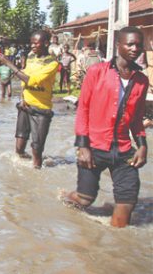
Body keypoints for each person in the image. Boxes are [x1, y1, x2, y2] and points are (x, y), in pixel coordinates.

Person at [63, 26, 148, 227]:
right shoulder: (97, 72)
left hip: (124, 150)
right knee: (85, 199)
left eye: (138, 44)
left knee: (127, 202)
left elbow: (136, 119)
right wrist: (83, 146)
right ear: (118, 45)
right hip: (94, 146)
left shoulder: (142, 81)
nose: (135, 48)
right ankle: (67, 198)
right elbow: (83, 109)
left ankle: (115, 252)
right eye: (130, 44)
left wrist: (143, 146)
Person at [0, 30, 59, 169]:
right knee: (19, 148)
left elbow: (31, 81)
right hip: (25, 106)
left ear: (46, 43)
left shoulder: (52, 63)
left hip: (41, 110)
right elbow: (24, 78)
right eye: (31, 43)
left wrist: (9, 64)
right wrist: (22, 98)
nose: (32, 46)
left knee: (37, 151)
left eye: (35, 43)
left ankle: (37, 175)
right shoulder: (31, 57)